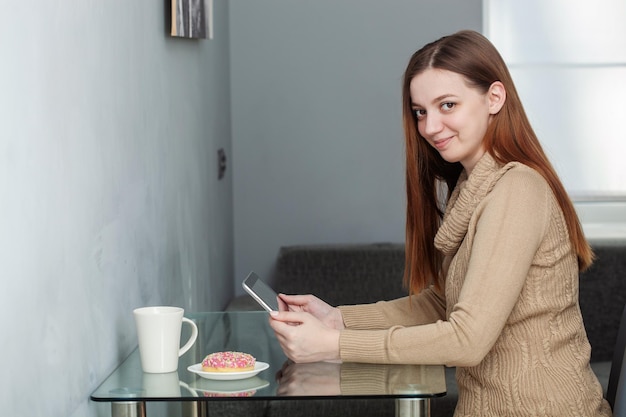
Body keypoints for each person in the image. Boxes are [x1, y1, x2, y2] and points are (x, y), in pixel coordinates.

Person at [268, 30, 612, 416]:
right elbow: (443, 304)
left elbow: (467, 339)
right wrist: (338, 319)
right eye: (421, 111)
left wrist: (333, 345)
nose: (430, 127)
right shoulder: (473, 185)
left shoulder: (517, 190)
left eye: (447, 105)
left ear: (494, 98)